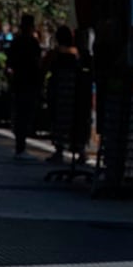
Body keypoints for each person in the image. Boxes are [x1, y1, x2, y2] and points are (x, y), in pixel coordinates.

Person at [43, 25, 83, 164]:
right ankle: (79, 150)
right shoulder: (76, 53)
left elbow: (44, 67)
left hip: (59, 89)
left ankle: (59, 150)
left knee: (58, 119)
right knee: (74, 120)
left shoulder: (55, 53)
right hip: (73, 91)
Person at [6, 13, 42, 160]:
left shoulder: (19, 42)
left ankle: (20, 145)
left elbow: (9, 64)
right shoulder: (30, 43)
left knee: (22, 114)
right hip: (26, 83)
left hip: (22, 83)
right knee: (24, 115)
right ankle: (21, 145)